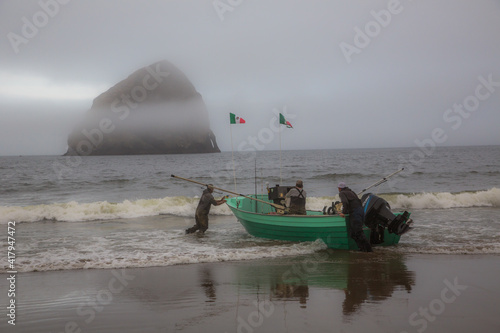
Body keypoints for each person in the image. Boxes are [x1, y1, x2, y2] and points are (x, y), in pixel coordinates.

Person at [337, 182, 372, 252]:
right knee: (353, 234)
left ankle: (369, 250)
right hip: (361, 211)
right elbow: (355, 202)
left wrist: (343, 213)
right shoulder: (351, 192)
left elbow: (345, 202)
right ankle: (362, 249)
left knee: (358, 232)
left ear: (339, 188)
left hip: (355, 212)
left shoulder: (342, 193)